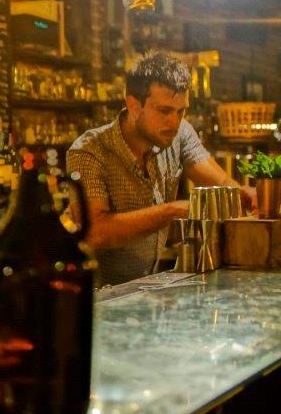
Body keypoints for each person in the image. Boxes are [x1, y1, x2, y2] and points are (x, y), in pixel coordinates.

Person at [67, 51, 255, 285]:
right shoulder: (89, 151)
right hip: (98, 295)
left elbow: (222, 183)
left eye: (181, 111)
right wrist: (172, 211)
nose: (174, 122)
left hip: (147, 288)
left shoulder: (180, 133)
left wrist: (244, 194)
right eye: (164, 111)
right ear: (134, 105)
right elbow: (94, 232)